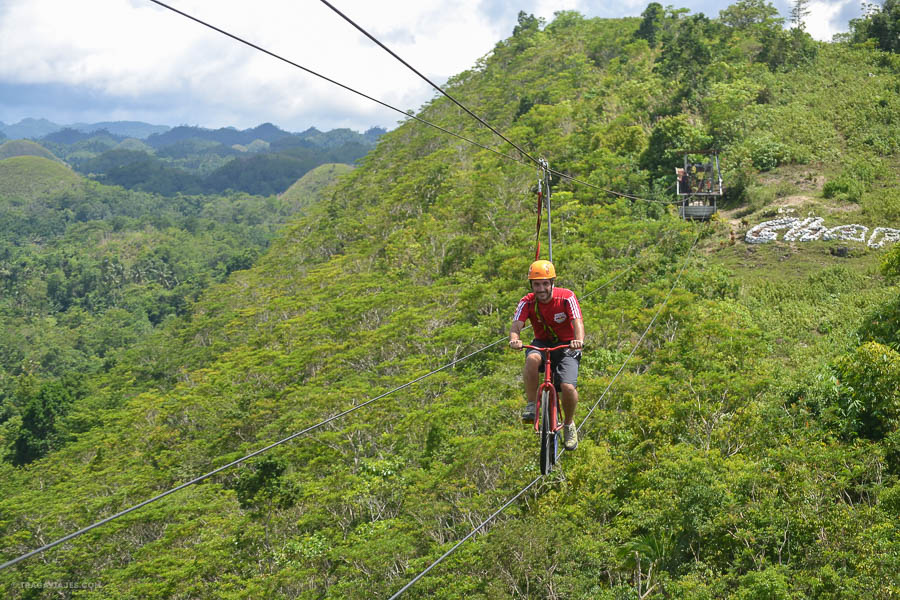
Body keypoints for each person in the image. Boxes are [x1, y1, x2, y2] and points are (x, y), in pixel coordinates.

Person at [509, 260, 585, 451]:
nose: (541, 288)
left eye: (545, 283)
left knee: (567, 386)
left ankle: (568, 424)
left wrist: (578, 340)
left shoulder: (566, 297)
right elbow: (517, 324)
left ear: (552, 283)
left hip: (567, 345)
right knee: (532, 359)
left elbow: (577, 321)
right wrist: (515, 339)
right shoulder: (527, 301)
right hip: (542, 343)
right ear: (531, 285)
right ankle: (532, 404)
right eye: (536, 284)